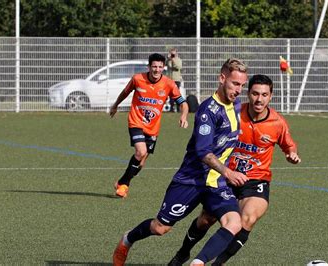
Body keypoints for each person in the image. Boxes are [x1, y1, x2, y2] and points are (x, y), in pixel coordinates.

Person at [113, 58, 249, 266]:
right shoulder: (207, 111)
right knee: (160, 228)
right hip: (190, 180)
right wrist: (229, 172)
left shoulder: (237, 105)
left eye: (242, 85)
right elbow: (203, 151)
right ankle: (127, 239)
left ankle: (197, 262)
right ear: (222, 79)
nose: (239, 90)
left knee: (234, 222)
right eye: (235, 84)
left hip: (216, 183)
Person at [168, 74, 301, 266]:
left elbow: (289, 145)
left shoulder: (277, 122)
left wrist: (291, 154)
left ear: (270, 96)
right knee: (206, 219)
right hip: (225, 177)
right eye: (255, 93)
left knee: (247, 219)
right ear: (248, 94)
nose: (259, 99)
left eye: (264, 95)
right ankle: (183, 253)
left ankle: (214, 264)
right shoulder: (234, 113)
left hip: (256, 180)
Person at [109, 53, 189, 198]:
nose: (157, 70)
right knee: (140, 151)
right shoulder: (137, 79)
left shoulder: (169, 84)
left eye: (159, 67)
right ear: (149, 67)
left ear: (163, 67)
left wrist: (183, 116)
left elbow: (183, 103)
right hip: (136, 121)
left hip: (153, 128)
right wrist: (115, 105)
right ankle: (124, 185)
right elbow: (125, 92)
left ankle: (122, 181)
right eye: (154, 67)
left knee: (142, 161)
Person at [167, 48, 183, 112]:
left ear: (176, 53)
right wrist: (168, 58)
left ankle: (179, 107)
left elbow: (178, 67)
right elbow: (167, 66)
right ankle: (171, 108)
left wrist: (173, 60)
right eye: (172, 53)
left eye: (174, 53)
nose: (173, 55)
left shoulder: (178, 60)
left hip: (176, 79)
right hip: (170, 79)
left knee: (177, 94)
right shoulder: (169, 60)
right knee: (171, 94)